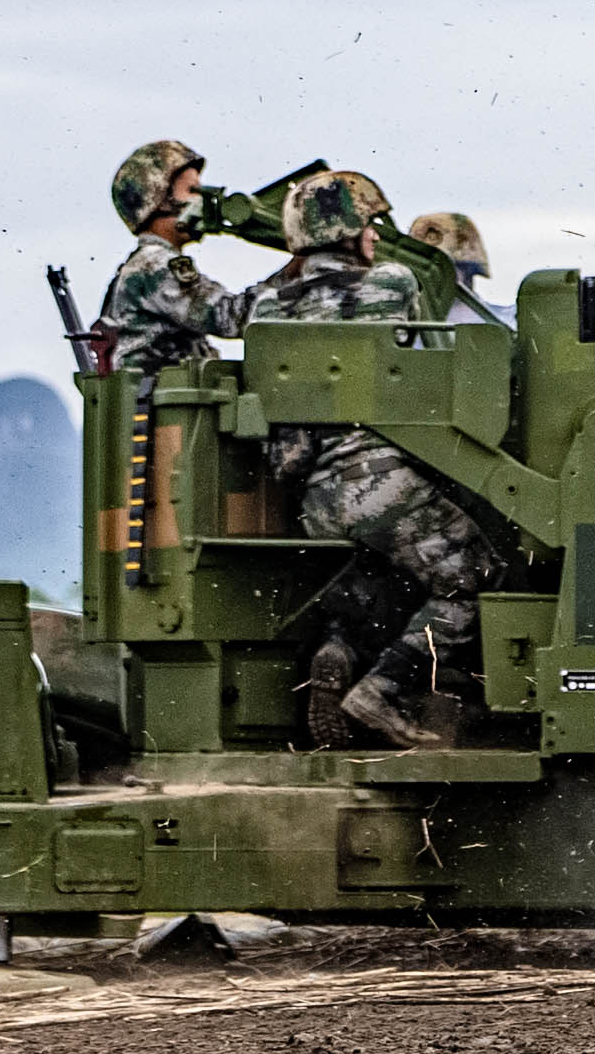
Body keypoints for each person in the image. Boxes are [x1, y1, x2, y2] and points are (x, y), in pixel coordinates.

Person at [258, 170, 510, 746]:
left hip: (312, 500)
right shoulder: (391, 282)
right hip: (375, 480)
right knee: (473, 574)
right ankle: (380, 691)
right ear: (350, 231)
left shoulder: (270, 301)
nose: (377, 235)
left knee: (398, 568)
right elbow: (438, 369)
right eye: (370, 225)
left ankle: (339, 649)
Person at [97, 139, 252, 375]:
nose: (200, 200)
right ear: (157, 200)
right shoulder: (155, 265)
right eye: (191, 191)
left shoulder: (148, 263)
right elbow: (231, 317)